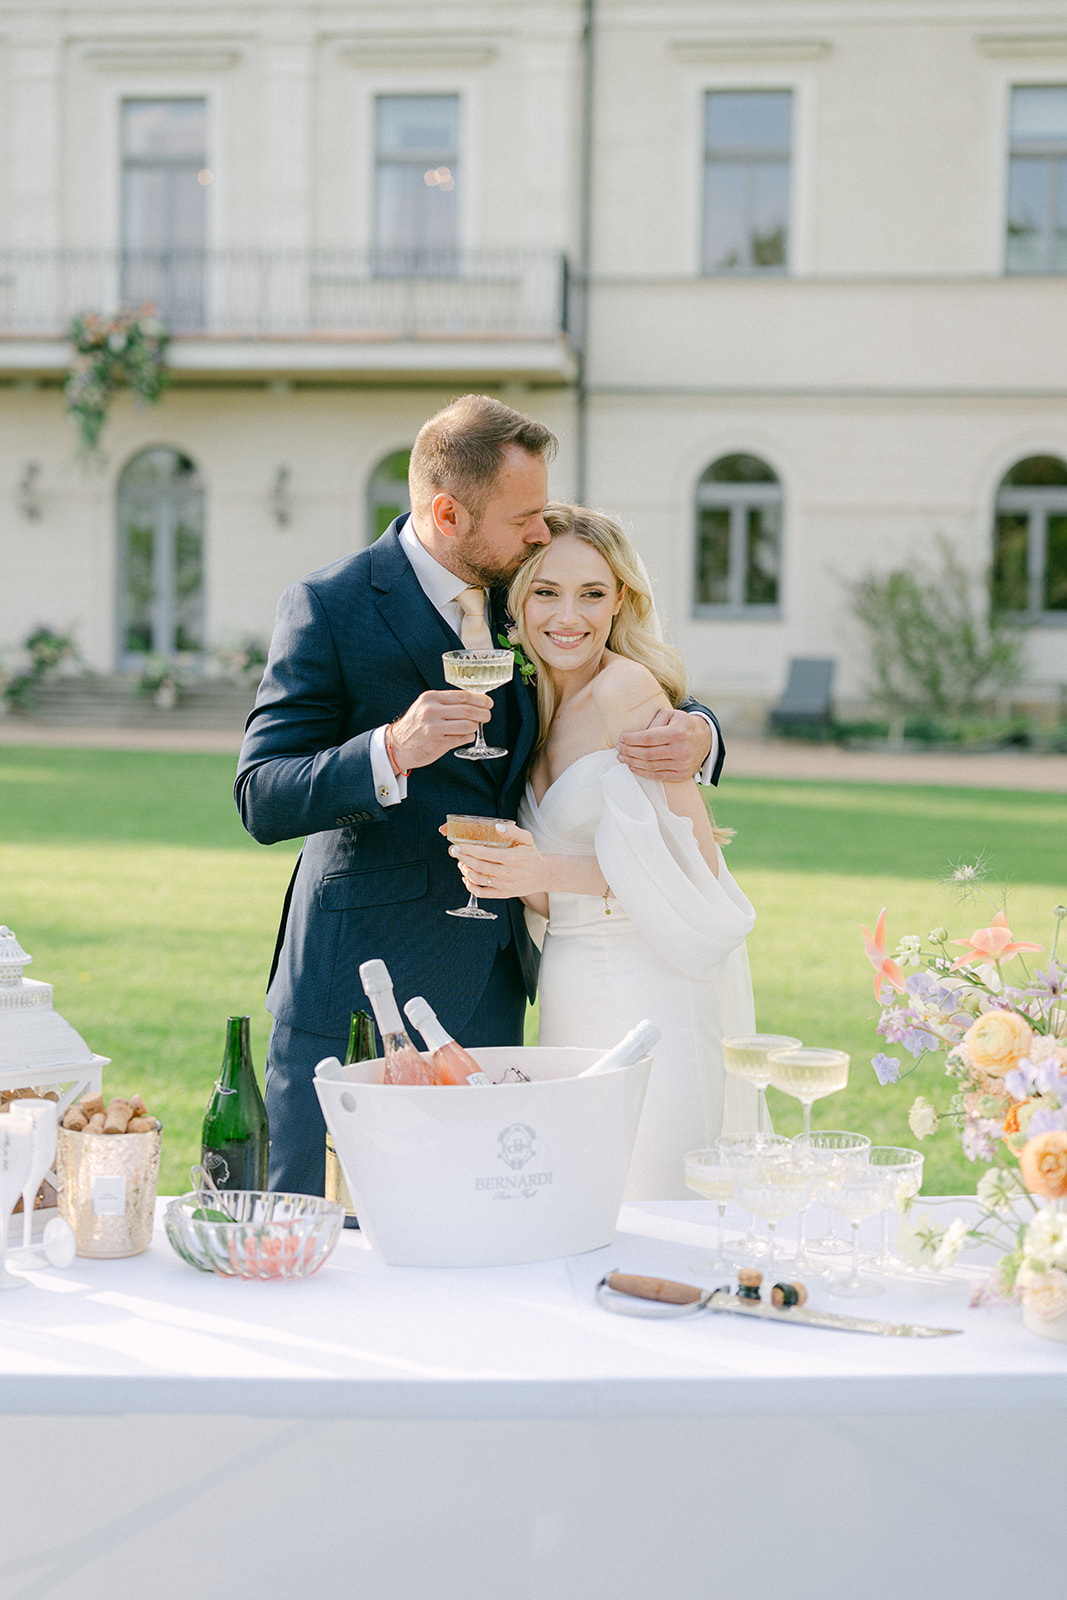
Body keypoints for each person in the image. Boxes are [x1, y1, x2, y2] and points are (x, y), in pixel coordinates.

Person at [235, 395, 722, 1194]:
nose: (541, 532)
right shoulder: (330, 606)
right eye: (523, 516)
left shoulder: (521, 589)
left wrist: (699, 733)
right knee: (326, 1221)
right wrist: (390, 750)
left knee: (472, 1219)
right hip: (361, 976)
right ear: (448, 512)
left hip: (496, 977)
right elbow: (262, 795)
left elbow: (610, 666)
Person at [451, 504, 758, 1200]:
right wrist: (511, 874)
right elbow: (565, 888)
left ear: (620, 600)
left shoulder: (627, 693)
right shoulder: (525, 704)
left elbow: (695, 867)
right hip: (568, 984)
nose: (570, 616)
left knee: (651, 1194)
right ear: (517, 598)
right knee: (578, 1195)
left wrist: (545, 870)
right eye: (546, 591)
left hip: (648, 988)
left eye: (592, 593)